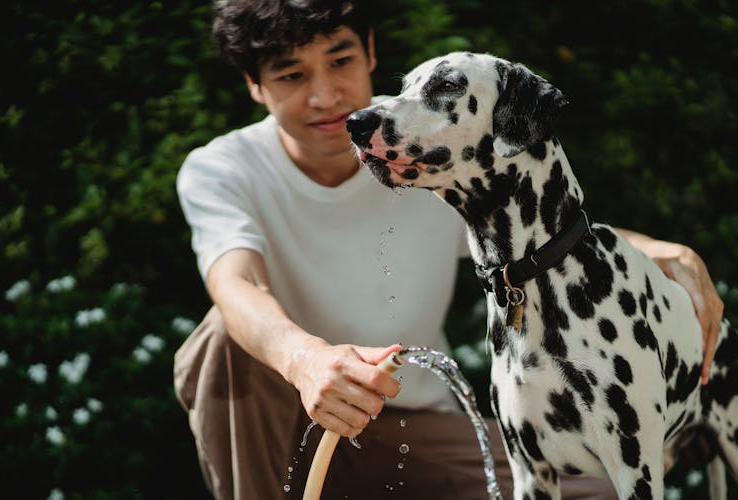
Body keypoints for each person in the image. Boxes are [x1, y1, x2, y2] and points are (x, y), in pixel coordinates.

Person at [173, 1, 725, 498]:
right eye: (291, 75)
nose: (325, 95)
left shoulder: (420, 145)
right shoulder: (223, 169)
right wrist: (307, 361)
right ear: (253, 84)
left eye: (340, 61)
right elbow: (236, 284)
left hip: (414, 427)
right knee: (219, 342)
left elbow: (542, 223)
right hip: (279, 422)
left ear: (369, 52)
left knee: (599, 489)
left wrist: (657, 249)